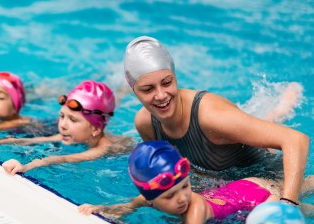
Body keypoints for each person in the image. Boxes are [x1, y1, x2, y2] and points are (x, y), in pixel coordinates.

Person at [122, 36, 309, 204]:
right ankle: (274, 114)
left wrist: (288, 203)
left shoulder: (210, 117)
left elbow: (296, 139)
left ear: (175, 77)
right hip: (226, 183)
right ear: (134, 90)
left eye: (167, 83)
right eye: (148, 89)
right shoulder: (145, 123)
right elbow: (170, 176)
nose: (161, 95)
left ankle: (282, 110)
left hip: (266, 174)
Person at [78, 141, 313, 224]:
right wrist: (101, 210)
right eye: (169, 196)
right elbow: (126, 208)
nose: (182, 198)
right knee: (304, 188)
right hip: (243, 187)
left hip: (259, 200)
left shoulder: (196, 208)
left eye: (184, 187)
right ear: (150, 197)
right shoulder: (147, 199)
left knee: (303, 208)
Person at [0, 80, 132, 174]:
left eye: (73, 119)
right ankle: (123, 91)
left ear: (95, 129)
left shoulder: (103, 148)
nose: (62, 125)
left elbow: (64, 159)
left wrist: (26, 166)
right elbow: (25, 140)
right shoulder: (71, 133)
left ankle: (124, 90)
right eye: (62, 116)